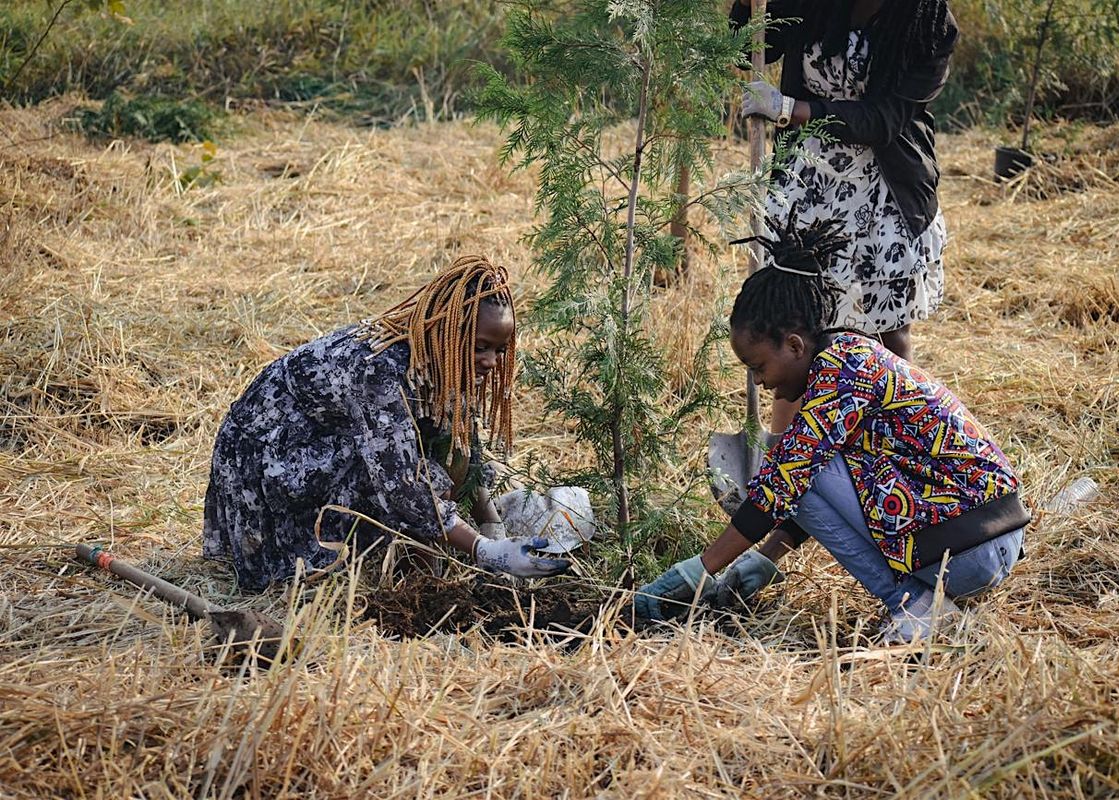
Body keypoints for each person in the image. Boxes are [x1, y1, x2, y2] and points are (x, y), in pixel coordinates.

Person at [635, 212, 1028, 641]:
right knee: (799, 467)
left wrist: (699, 569)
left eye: (759, 366)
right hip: (982, 542)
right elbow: (818, 487)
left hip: (969, 548)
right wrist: (765, 558)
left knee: (787, 468)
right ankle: (920, 601)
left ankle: (912, 604)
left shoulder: (843, 373)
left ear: (794, 345)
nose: (761, 382)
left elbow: (784, 485)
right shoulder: (848, 358)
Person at [202, 255, 571, 592]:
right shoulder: (379, 370)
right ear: (448, 332)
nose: (490, 361)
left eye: (499, 350)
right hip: (269, 461)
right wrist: (485, 550)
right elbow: (402, 485)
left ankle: (427, 558)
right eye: (480, 347)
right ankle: (419, 567)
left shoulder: (439, 357)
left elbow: (461, 446)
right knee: (413, 474)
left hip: (323, 441)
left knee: (443, 442)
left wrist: (492, 525)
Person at [731, 0, 958, 438]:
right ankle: (783, 461)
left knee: (888, 338)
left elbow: (882, 119)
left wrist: (789, 108)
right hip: (807, 190)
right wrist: (746, 4)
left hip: (885, 196)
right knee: (795, 332)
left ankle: (898, 449)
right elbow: (751, 47)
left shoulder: (927, 25)